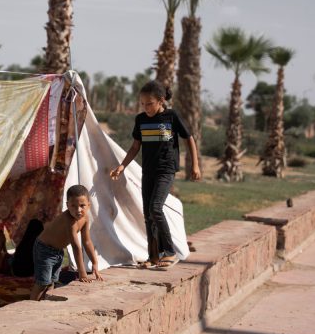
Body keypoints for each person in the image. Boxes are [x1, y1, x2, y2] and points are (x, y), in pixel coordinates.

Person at [110, 80, 201, 270]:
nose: (146, 107)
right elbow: (135, 146)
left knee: (156, 208)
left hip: (166, 170)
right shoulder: (141, 119)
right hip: (148, 171)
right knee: (148, 215)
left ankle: (169, 252)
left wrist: (195, 165)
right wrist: (122, 166)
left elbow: (189, 138)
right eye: (142, 104)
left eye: (149, 103)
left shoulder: (171, 117)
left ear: (161, 101)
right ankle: (152, 257)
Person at [30, 185, 103, 301]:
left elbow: (87, 241)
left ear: (89, 205)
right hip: (44, 249)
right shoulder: (69, 220)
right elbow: (76, 247)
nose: (78, 210)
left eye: (82, 206)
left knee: (51, 283)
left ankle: (44, 306)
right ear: (67, 205)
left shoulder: (85, 218)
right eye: (73, 206)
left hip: (57, 251)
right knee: (42, 283)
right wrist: (82, 273)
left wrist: (94, 262)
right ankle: (31, 307)